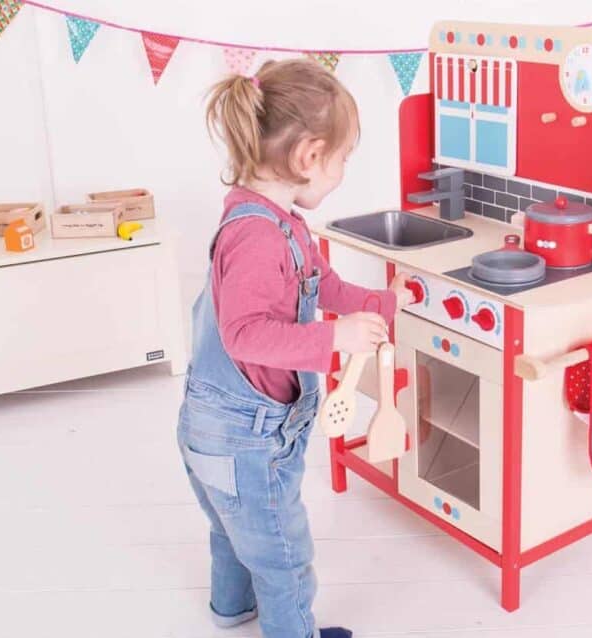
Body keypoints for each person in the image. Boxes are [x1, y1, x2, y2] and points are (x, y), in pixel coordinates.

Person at [176, 58, 414, 638]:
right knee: (282, 555)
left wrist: (380, 303)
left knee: (233, 532)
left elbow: (321, 285)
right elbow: (246, 334)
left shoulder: (273, 218)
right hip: (246, 438)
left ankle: (231, 612)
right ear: (309, 156)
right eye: (343, 160)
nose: (341, 173)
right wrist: (336, 337)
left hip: (215, 430)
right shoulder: (258, 237)